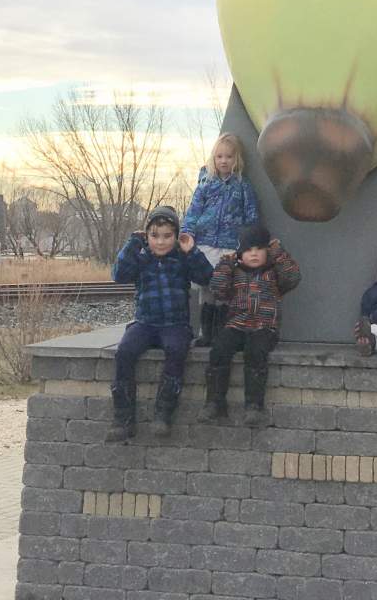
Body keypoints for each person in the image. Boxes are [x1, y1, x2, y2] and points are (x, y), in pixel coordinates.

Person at [107, 204, 214, 441]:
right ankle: (123, 418)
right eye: (155, 236)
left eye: (167, 236)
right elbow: (118, 275)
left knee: (176, 350)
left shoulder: (182, 258)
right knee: (124, 352)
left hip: (175, 324)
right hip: (145, 323)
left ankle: (163, 414)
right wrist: (132, 244)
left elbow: (207, 277)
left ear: (176, 237)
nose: (161, 242)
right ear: (147, 236)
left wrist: (192, 251)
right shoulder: (141, 257)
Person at [201, 223, 300, 425]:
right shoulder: (234, 272)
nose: (253, 254)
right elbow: (218, 289)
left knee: (256, 352)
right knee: (219, 349)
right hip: (237, 325)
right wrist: (226, 264)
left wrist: (278, 252)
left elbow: (293, 277)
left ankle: (254, 405)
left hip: (264, 327)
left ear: (267, 251)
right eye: (248, 250)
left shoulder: (273, 274)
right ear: (240, 253)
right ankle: (214, 403)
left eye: (259, 249)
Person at [182, 133, 259, 346]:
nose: (224, 161)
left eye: (229, 157)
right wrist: (187, 232)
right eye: (219, 156)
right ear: (213, 158)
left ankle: (222, 333)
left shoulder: (243, 186)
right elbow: (194, 210)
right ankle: (206, 333)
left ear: (237, 159)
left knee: (225, 288)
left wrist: (250, 241)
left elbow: (251, 216)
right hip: (205, 243)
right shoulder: (206, 183)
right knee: (206, 287)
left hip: (229, 246)